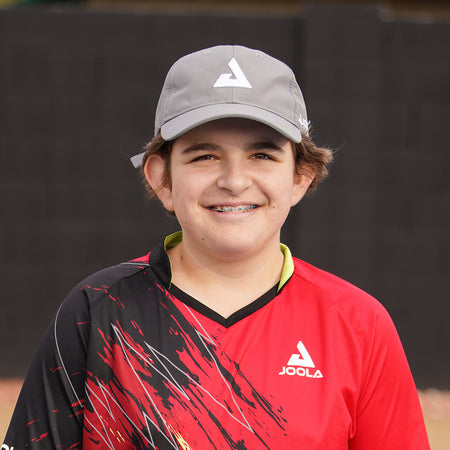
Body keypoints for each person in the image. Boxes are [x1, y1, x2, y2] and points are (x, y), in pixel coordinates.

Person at [3, 45, 429, 449]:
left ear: (301, 176)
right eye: (204, 156)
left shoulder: (358, 325)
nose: (234, 180)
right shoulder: (97, 311)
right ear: (161, 178)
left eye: (262, 155)